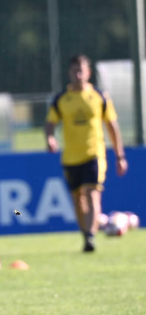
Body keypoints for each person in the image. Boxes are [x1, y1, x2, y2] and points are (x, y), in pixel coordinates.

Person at [45, 54, 128, 252]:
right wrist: (50, 138)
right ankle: (86, 234)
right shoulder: (61, 100)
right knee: (77, 199)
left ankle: (90, 237)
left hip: (94, 154)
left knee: (92, 195)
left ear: (89, 73)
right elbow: (50, 123)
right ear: (69, 73)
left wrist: (120, 156)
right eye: (75, 70)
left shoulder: (99, 97)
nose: (79, 74)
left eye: (82, 70)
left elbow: (112, 126)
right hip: (71, 158)